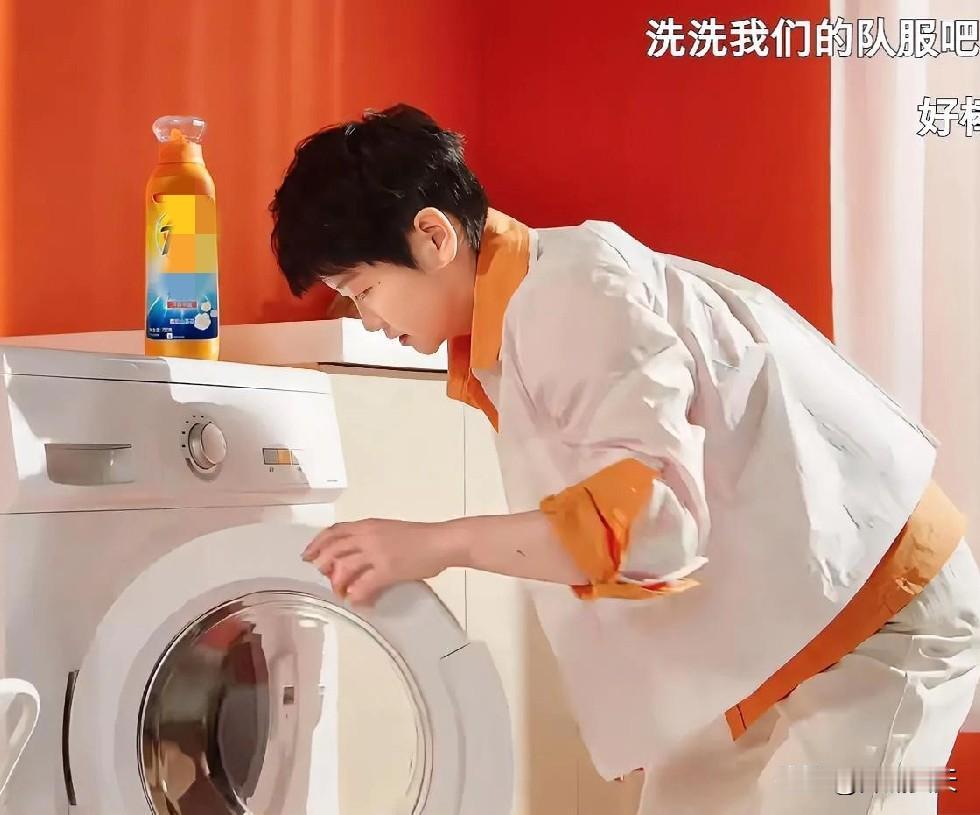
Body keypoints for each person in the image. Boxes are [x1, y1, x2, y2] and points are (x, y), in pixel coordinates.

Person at [269, 104, 980, 814]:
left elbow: (646, 522)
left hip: (880, 603)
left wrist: (437, 543)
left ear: (433, 236)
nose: (367, 319)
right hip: (791, 607)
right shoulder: (520, 320)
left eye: (363, 291)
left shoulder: (571, 293)